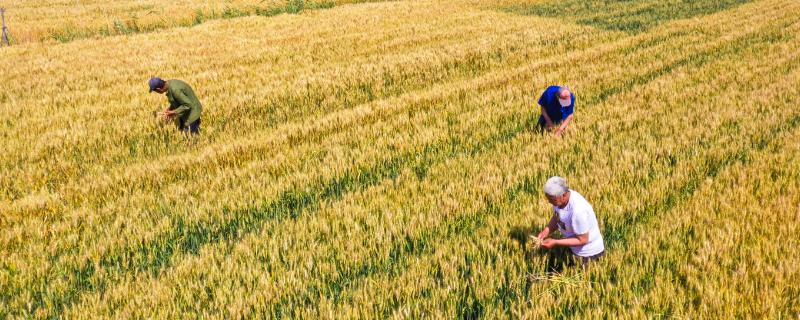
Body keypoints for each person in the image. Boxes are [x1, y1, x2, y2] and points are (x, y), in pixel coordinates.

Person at [537, 176, 604, 268]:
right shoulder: (560, 199)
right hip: (574, 249)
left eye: (551, 199)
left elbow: (583, 240)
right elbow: (557, 216)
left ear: (563, 195)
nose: (549, 202)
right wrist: (546, 231)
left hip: (588, 254)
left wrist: (555, 242)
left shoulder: (578, 211)